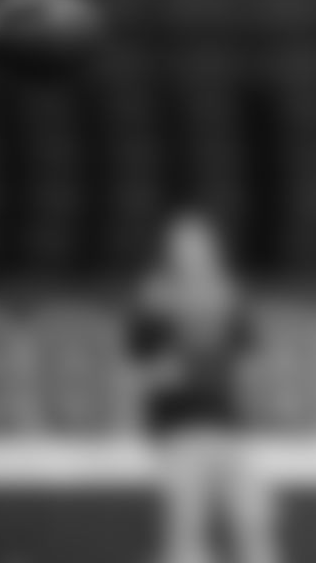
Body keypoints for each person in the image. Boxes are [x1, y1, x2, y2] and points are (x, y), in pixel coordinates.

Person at [128, 211, 258, 563]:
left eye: (199, 246)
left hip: (227, 428)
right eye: (184, 247)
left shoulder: (228, 295)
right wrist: (189, 368)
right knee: (185, 532)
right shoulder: (154, 300)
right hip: (180, 430)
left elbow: (246, 365)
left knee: (253, 523)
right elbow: (145, 372)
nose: (193, 255)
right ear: (171, 253)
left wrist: (207, 368)